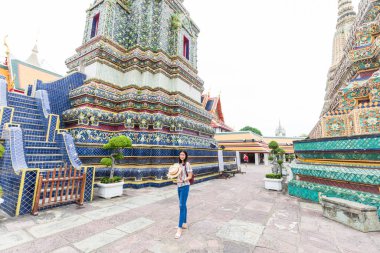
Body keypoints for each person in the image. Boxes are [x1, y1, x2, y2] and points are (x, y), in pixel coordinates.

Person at [175, 150, 193, 239]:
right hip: (179, 186)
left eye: (183, 154)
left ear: (185, 156)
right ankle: (184, 223)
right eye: (180, 154)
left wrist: (182, 180)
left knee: (181, 205)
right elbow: (175, 174)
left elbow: (190, 176)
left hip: (185, 186)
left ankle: (179, 228)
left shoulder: (187, 164)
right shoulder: (178, 165)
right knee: (183, 205)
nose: (181, 156)